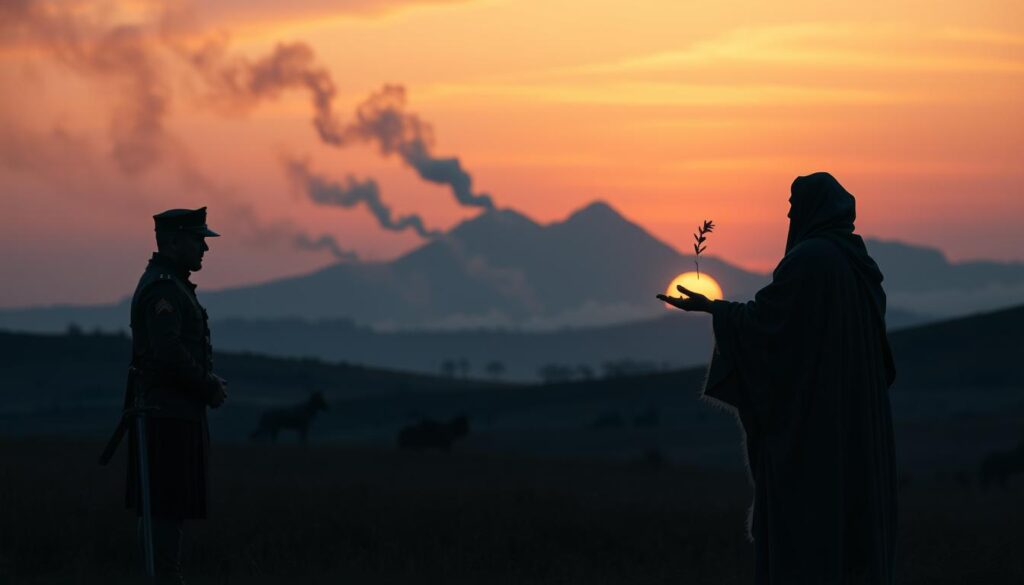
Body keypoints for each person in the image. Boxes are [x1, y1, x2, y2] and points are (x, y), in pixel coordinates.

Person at [657, 172, 897, 584]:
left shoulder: (810, 261)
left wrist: (714, 310)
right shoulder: (859, 265)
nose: (789, 214)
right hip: (854, 422)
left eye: (793, 205)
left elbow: (769, 326)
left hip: (815, 429)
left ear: (812, 208)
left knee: (809, 538)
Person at [124, 207, 228, 584]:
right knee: (165, 512)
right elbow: (167, 354)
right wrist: (208, 385)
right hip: (166, 418)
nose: (204, 248)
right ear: (172, 242)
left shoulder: (171, 285)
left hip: (173, 413)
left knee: (168, 512)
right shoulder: (165, 289)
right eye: (197, 239)